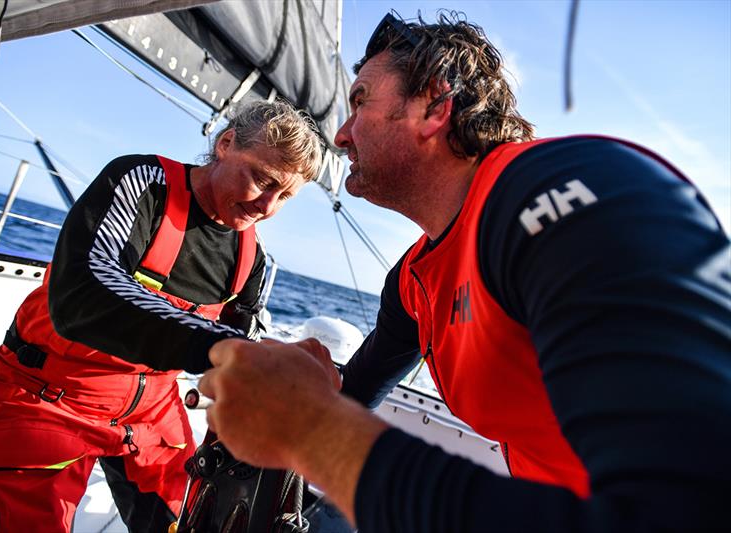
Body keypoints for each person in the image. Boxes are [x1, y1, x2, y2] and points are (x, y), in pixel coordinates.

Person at [197, 11, 731, 532]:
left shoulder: (571, 193)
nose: (341, 134)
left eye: (360, 102)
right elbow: (349, 394)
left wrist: (311, 430)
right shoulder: (414, 280)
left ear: (434, 104)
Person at [0, 100, 324, 532]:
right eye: (262, 179)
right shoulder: (144, 183)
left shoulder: (251, 259)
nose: (267, 206)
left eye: (286, 196)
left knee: (192, 519)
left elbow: (239, 352)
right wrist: (223, 347)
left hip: (152, 411)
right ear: (225, 144)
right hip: (50, 397)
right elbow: (82, 292)